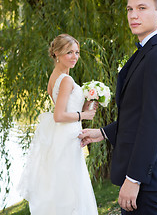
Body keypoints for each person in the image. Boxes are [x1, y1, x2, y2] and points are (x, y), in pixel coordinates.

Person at [79, 0, 157, 215]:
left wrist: (133, 179)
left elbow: (153, 124)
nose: (133, 15)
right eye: (130, 9)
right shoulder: (148, 51)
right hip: (143, 173)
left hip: (145, 177)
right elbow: (137, 114)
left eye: (142, 8)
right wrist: (103, 132)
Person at [18, 34, 98, 215]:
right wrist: (84, 114)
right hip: (67, 137)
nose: (75, 57)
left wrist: (85, 104)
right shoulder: (66, 79)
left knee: (61, 185)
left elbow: (64, 109)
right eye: (69, 52)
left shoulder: (54, 77)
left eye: (77, 52)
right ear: (56, 53)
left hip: (63, 135)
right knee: (71, 187)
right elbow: (59, 115)